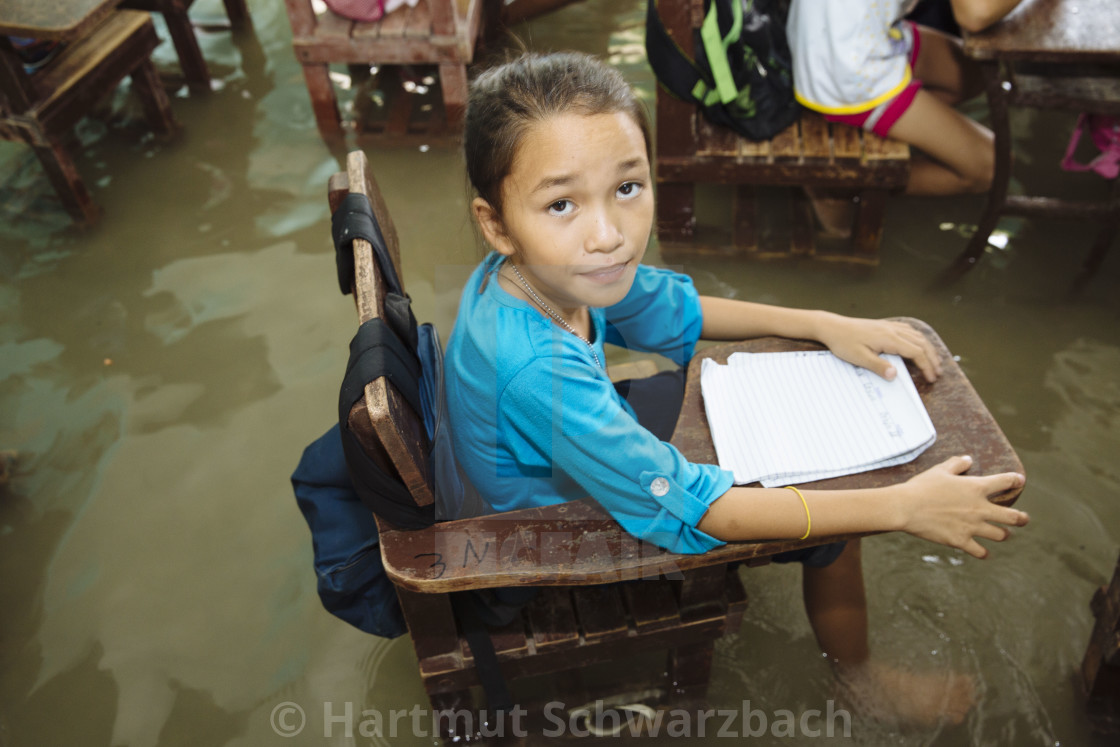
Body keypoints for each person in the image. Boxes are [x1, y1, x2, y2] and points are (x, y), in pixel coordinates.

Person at [444, 51, 1029, 725]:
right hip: (551, 530)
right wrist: (900, 505)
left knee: (809, 432)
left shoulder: (547, 268)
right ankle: (858, 680)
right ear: (495, 223)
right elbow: (705, 512)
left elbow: (677, 313)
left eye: (627, 187)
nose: (608, 235)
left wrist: (823, 322)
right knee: (842, 512)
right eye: (562, 202)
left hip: (564, 460)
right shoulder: (534, 368)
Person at [786, 0, 1024, 233]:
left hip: (859, 30)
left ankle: (882, 128)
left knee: (973, 74)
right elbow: (974, 13)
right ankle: (842, 184)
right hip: (846, 61)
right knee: (993, 167)